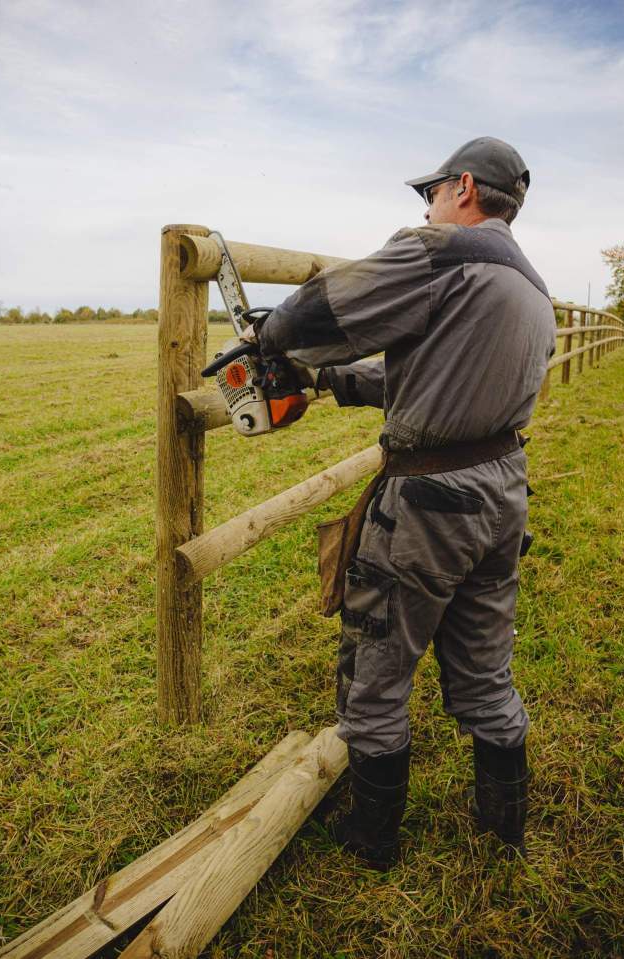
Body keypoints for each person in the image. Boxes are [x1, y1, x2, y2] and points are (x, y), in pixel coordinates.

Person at [245, 136, 557, 869]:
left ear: (464, 186)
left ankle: (372, 839)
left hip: (427, 505)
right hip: (501, 491)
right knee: (484, 661)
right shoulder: (532, 291)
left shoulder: (440, 252)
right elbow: (437, 379)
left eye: (432, 192)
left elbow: (316, 313)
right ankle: (502, 826)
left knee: (377, 663)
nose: (425, 206)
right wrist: (332, 382)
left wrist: (269, 337)